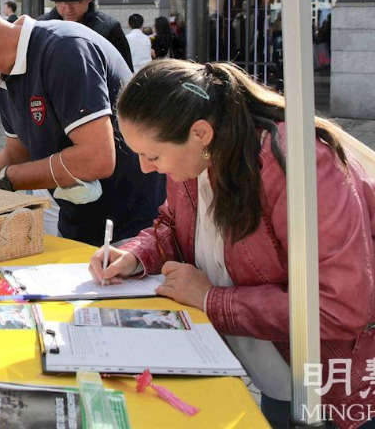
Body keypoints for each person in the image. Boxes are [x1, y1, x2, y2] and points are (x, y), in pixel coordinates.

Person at [90, 59, 375, 429]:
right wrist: (133, 255)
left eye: (153, 155)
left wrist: (212, 299)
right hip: (276, 375)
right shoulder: (198, 157)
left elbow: (340, 305)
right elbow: (174, 227)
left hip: (340, 388)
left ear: (200, 133)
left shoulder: (299, 164)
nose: (145, 168)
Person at [0, 0, 164, 245]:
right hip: (80, 222)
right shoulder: (2, 73)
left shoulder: (64, 49)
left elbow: (97, 158)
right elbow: (17, 151)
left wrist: (9, 179)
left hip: (133, 229)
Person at [39, 0, 134, 71]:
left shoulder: (108, 28)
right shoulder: (42, 26)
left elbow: (124, 72)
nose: (68, 9)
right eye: (61, 2)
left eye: (75, 2)